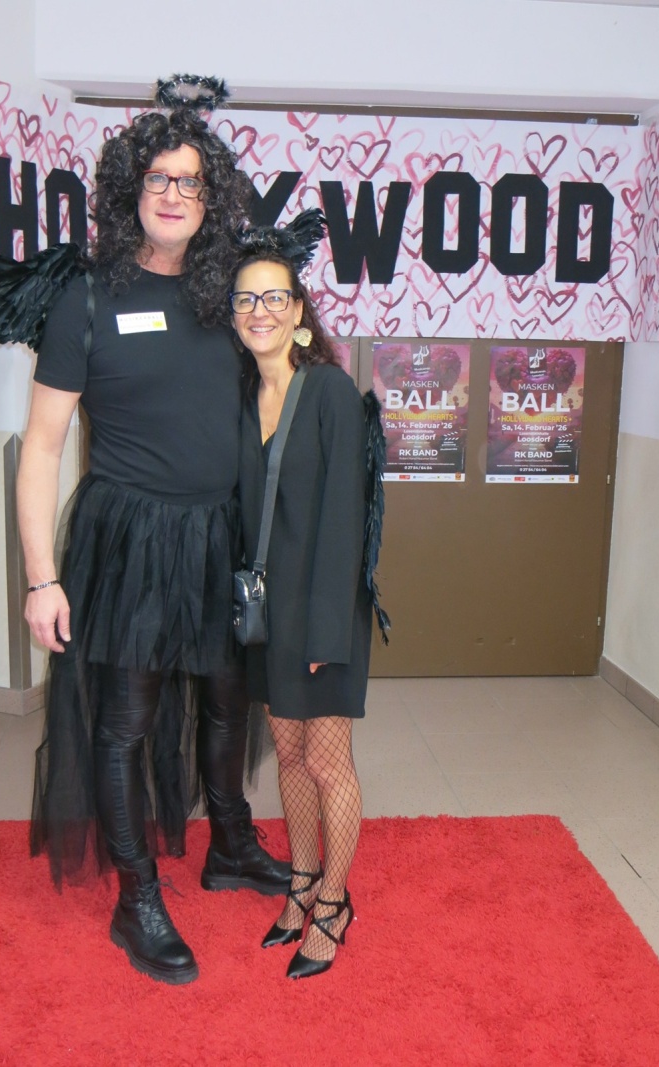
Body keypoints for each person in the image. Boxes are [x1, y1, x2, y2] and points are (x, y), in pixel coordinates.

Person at [15, 78, 289, 987]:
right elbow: (42, 446)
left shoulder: (230, 297)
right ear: (130, 188)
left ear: (212, 198)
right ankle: (136, 895)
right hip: (128, 539)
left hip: (220, 535)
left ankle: (230, 845)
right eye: (159, 177)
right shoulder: (86, 300)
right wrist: (41, 578)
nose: (174, 193)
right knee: (126, 722)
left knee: (227, 701)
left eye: (191, 180)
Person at [231, 222, 385, 980]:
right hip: (268, 614)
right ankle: (299, 883)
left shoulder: (327, 390)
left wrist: (328, 631)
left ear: (298, 311)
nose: (259, 311)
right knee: (288, 757)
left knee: (328, 762)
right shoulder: (241, 396)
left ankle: (334, 902)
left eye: (274, 298)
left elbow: (344, 519)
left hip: (322, 611)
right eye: (245, 299)